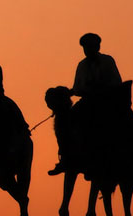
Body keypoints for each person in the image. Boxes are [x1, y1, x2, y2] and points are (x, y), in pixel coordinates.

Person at [49, 33, 124, 176]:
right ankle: (65, 157)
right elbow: (77, 88)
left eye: (90, 46)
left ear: (97, 46)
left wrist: (99, 86)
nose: (88, 50)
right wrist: (69, 92)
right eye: (86, 47)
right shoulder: (82, 65)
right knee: (64, 122)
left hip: (106, 101)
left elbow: (116, 83)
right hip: (88, 101)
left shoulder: (107, 61)